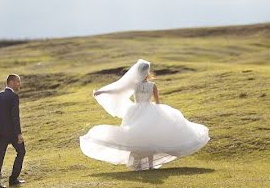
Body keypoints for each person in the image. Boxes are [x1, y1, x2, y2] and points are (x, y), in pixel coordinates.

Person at [79, 59, 209, 170]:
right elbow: (158, 102)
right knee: (150, 137)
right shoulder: (152, 85)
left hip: (135, 111)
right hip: (150, 110)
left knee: (135, 136)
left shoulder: (134, 85)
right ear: (147, 72)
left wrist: (101, 92)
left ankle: (139, 164)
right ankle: (150, 164)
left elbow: (117, 90)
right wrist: (162, 114)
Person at [0, 74, 25, 188]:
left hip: (0, 134)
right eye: (17, 82)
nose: (19, 84)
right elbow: (15, 117)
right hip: (12, 133)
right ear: (10, 82)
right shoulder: (14, 97)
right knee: (21, 152)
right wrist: (19, 134)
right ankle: (13, 180)